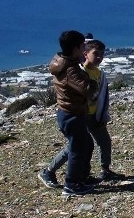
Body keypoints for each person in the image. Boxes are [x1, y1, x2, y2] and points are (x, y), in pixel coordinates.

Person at [42, 39, 122, 184]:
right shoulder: (79, 73)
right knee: (75, 146)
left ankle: (105, 171)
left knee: (104, 142)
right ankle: (49, 171)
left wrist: (104, 114)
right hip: (81, 115)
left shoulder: (99, 73)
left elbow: (103, 96)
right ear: (85, 54)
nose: (99, 57)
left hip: (95, 115)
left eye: (102, 54)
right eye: (96, 54)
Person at [39, 30, 99, 196]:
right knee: (77, 149)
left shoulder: (62, 62)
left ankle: (81, 178)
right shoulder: (71, 70)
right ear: (76, 49)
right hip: (72, 114)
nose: (84, 49)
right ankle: (72, 184)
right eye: (82, 46)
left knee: (86, 144)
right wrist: (93, 82)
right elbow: (89, 91)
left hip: (69, 112)